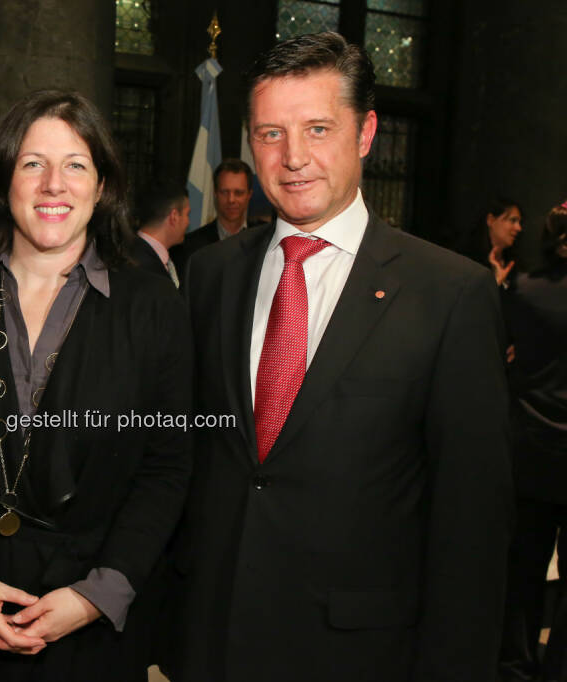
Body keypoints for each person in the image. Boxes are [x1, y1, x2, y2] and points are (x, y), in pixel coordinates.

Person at [162, 31, 512, 682]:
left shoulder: (450, 294)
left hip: (360, 653)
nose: (293, 158)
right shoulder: (210, 274)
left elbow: (473, 527)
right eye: (270, 134)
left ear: (366, 132)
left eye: (317, 128)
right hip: (214, 636)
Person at [0, 89, 192, 682]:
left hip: (93, 617)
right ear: (4, 182)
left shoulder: (154, 306)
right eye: (33, 164)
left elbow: (169, 465)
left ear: (101, 185)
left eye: (75, 164)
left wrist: (98, 593)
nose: (54, 184)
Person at [499, 201, 567, 682]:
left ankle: (517, 667)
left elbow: (504, 357)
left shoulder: (523, 290)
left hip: (531, 447)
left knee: (523, 570)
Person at [170, 158, 258, 271]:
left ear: (249, 195)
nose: (231, 200)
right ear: (215, 194)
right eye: (224, 192)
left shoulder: (263, 239)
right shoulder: (190, 247)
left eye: (238, 193)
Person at [130, 180, 189, 286]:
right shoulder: (139, 266)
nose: (188, 222)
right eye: (187, 214)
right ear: (174, 217)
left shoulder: (132, 253)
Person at [465, 197, 523, 288]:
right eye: (513, 220)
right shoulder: (469, 261)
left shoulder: (512, 261)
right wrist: (496, 282)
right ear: (491, 220)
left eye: (519, 222)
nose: (519, 228)